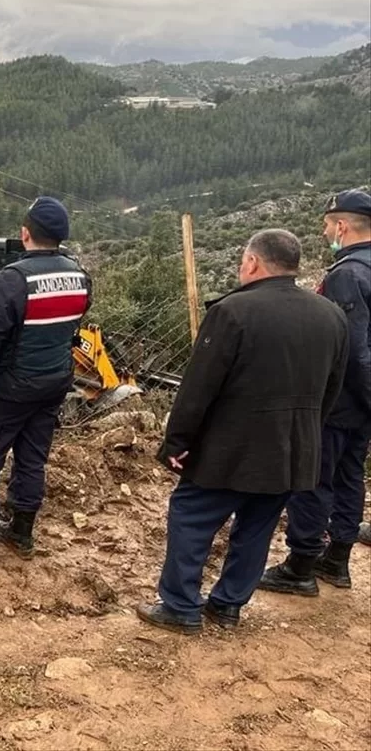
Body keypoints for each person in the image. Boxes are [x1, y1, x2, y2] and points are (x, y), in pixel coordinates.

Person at [137, 230, 348, 635]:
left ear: (252, 262)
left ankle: (180, 606)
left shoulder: (233, 312)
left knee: (192, 515)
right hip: (292, 449)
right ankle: (228, 606)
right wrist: (306, 436)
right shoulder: (330, 315)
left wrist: (177, 442)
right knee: (257, 525)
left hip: (229, 448)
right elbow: (332, 389)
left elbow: (198, 388)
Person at [0, 196, 90, 571]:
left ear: (24, 233)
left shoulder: (9, 281)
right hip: (53, 384)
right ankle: (22, 532)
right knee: (32, 458)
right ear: (61, 236)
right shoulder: (79, 277)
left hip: (9, 388)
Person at [260, 190, 371, 595]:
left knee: (312, 477)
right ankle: (337, 560)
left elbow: (352, 349)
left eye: (327, 225)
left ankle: (301, 565)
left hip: (339, 399)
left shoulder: (348, 273)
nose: (325, 232)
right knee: (349, 475)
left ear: (342, 226)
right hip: (363, 404)